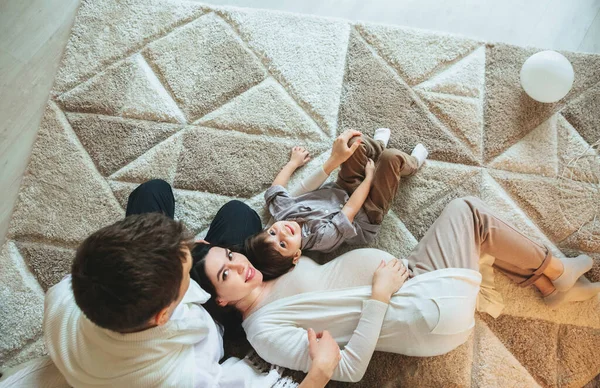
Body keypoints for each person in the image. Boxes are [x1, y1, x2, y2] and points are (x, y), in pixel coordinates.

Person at [193, 196, 599, 383]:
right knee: (469, 213)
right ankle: (558, 271)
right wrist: (381, 294)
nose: (239, 266)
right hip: (422, 308)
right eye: (225, 274)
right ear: (222, 299)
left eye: (230, 256)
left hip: (416, 285)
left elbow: (289, 223)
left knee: (475, 238)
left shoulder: (264, 270)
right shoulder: (264, 333)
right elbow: (348, 370)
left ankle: (549, 280)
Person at [43, 179, 342, 388]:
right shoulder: (187, 374)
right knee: (240, 214)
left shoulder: (65, 294)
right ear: (165, 315)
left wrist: (193, 252)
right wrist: (320, 372)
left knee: (153, 190)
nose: (193, 247)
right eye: (187, 269)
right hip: (211, 319)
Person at [244, 129, 428, 280]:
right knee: (392, 159)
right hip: (366, 211)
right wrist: (369, 178)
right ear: (296, 256)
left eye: (272, 232)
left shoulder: (282, 214)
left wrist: (293, 162)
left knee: (356, 143)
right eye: (283, 244)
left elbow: (276, 188)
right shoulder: (321, 239)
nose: (282, 232)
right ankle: (412, 164)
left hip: (342, 188)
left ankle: (378, 146)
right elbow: (351, 208)